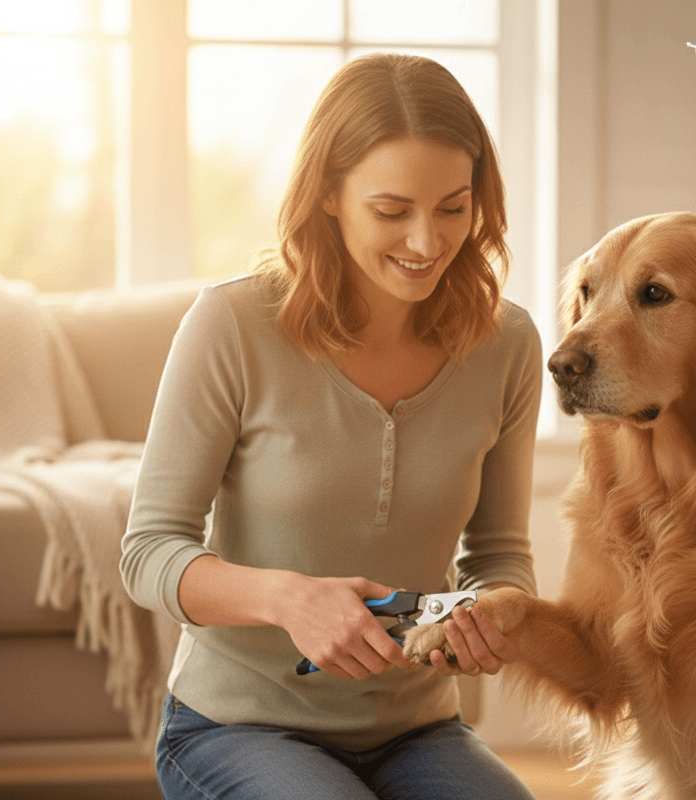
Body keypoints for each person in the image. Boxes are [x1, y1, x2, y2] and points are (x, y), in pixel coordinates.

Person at [121, 52, 542, 800]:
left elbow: (500, 553)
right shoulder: (231, 326)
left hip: (419, 728)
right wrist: (289, 599)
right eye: (391, 211)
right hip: (234, 727)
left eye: (453, 206)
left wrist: (491, 612)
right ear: (327, 195)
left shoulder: (507, 344)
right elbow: (148, 552)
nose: (426, 242)